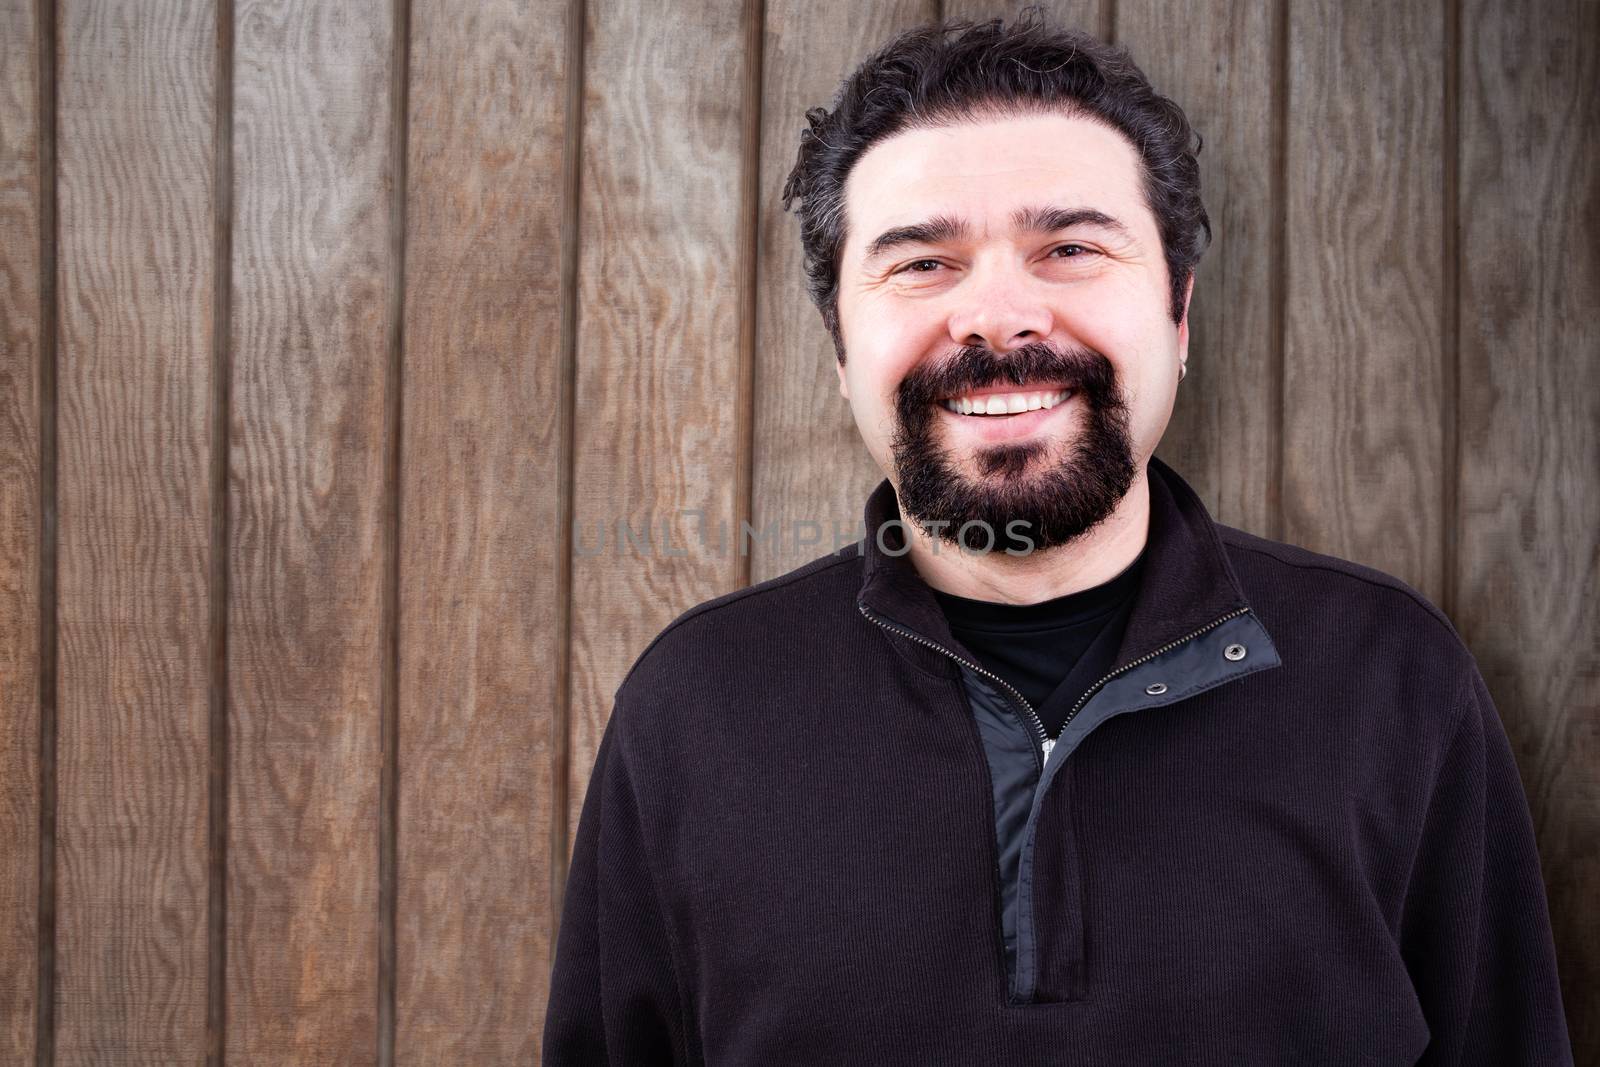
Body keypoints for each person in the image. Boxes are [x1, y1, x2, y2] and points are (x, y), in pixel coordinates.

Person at [543, 14, 1573, 1065]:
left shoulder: (1394, 678)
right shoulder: (695, 707)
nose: (997, 315)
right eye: (922, 262)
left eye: (1070, 248)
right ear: (841, 352)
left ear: (1179, 316)